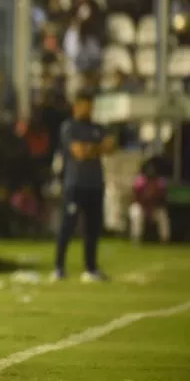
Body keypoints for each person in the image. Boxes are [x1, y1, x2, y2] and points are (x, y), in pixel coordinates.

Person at [54, 90, 114, 282]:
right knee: (68, 226)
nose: (89, 109)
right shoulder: (69, 127)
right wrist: (96, 148)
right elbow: (79, 152)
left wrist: (91, 149)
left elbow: (111, 146)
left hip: (95, 184)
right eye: (86, 105)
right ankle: (59, 267)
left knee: (93, 228)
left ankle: (91, 268)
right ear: (77, 106)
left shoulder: (97, 127)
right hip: (75, 184)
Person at [129, 161, 170, 244]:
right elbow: (136, 197)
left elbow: (162, 199)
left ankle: (164, 239)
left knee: (162, 216)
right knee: (136, 214)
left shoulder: (160, 182)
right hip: (141, 206)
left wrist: (153, 207)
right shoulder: (140, 181)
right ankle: (136, 238)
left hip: (154, 207)